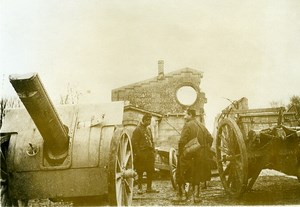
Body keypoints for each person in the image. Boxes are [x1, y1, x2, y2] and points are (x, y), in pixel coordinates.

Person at [174, 108, 213, 203]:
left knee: (181, 172)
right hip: (200, 156)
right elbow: (210, 139)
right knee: (197, 174)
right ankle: (196, 196)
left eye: (185, 115)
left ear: (190, 115)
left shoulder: (187, 125)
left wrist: (180, 153)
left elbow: (182, 141)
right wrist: (204, 150)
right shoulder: (202, 126)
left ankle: (182, 195)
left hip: (188, 155)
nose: (184, 117)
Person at [131, 113, 159, 194]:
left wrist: (153, 150)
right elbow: (134, 143)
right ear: (144, 120)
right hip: (142, 153)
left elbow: (152, 140)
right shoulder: (137, 130)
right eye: (148, 120)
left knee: (150, 170)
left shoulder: (149, 129)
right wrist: (138, 153)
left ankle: (149, 188)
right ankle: (139, 188)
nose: (149, 122)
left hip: (149, 153)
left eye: (150, 120)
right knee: (140, 171)